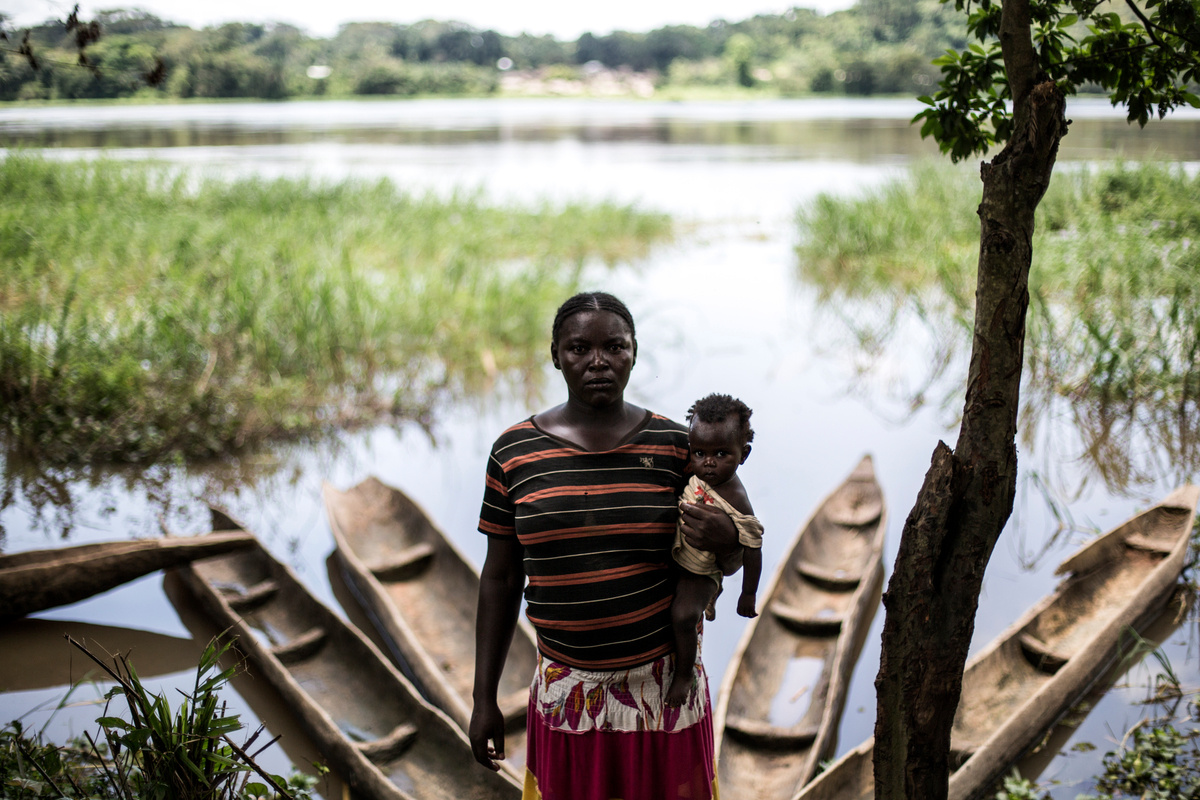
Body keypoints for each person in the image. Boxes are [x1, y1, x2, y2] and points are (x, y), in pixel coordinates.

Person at [469, 291, 740, 800]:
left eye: (614, 347)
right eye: (578, 349)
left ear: (634, 352)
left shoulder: (676, 447)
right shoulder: (514, 453)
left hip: (662, 689)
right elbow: (501, 579)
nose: (598, 362)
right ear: (555, 356)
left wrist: (731, 542)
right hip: (565, 692)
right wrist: (484, 699)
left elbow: (717, 558)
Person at [665, 393, 762, 708]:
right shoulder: (695, 471)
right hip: (680, 553)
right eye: (700, 452)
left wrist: (748, 594)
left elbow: (752, 548)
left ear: (743, 455)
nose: (708, 462)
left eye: (722, 453)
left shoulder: (735, 498)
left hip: (700, 569)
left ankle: (682, 676)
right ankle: (713, 598)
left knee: (682, 616)